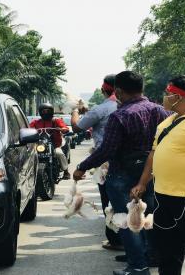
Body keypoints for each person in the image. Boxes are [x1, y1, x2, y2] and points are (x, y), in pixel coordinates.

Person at [73, 71, 169, 275]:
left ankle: (137, 266)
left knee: (126, 220)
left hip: (123, 174)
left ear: (118, 91)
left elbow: (107, 149)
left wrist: (82, 167)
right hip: (152, 172)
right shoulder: (160, 111)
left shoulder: (120, 116)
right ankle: (148, 255)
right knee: (149, 215)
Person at [131, 75, 185, 275]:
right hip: (163, 196)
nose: (165, 97)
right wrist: (142, 182)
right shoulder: (168, 121)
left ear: (179, 97)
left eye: (168, 93)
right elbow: (154, 154)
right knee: (168, 252)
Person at [71, 74, 122, 251]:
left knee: (110, 200)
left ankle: (116, 239)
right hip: (135, 161)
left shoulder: (103, 108)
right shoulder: (141, 108)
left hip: (106, 160)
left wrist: (75, 111)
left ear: (103, 90)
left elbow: (77, 127)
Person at [30, 103, 70, 179]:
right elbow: (28, 128)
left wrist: (63, 129)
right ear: (40, 112)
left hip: (55, 144)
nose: (45, 113)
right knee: (30, 156)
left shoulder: (56, 121)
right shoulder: (36, 122)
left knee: (59, 153)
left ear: (51, 111)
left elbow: (64, 127)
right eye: (43, 111)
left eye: (47, 111)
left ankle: (66, 171)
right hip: (40, 145)